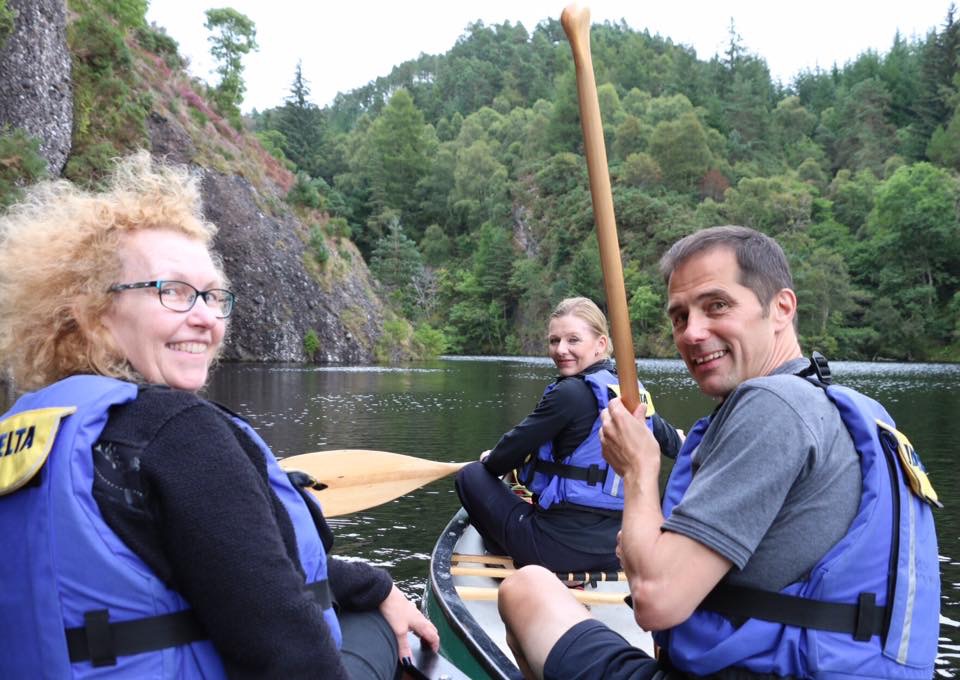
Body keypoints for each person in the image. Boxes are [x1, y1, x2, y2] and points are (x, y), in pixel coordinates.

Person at [0, 152, 438, 679]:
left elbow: (229, 564)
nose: (206, 317)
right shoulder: (178, 434)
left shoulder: (36, 431)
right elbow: (292, 654)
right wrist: (375, 597)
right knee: (369, 625)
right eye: (173, 292)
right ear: (94, 316)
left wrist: (372, 582)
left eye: (211, 295)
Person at [498, 226, 940, 679]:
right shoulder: (849, 409)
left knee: (526, 589)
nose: (692, 333)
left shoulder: (773, 406)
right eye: (679, 316)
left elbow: (655, 601)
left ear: (782, 308)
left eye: (717, 306)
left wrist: (638, 469)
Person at [455, 297, 682, 573]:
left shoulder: (569, 393)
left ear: (600, 344)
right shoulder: (630, 392)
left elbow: (502, 459)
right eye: (554, 341)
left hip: (559, 550)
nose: (561, 349)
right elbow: (676, 445)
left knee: (471, 476)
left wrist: (490, 459)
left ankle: (512, 553)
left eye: (573, 340)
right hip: (621, 547)